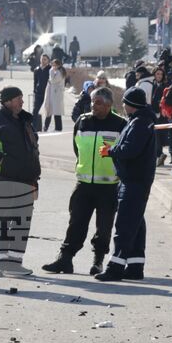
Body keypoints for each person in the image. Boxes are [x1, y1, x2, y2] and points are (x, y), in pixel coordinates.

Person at [42, 87, 128, 276]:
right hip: (83, 184)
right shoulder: (82, 121)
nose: (93, 106)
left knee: (104, 228)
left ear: (108, 105)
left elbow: (124, 154)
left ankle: (98, 261)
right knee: (76, 223)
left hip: (108, 186)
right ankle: (65, 259)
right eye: (91, 101)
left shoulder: (120, 124)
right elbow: (77, 148)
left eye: (97, 102)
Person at [0, 86, 41, 277]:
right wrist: (0, 159)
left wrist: (34, 180)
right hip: (2, 179)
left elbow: (32, 151)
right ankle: (1, 263)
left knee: (21, 222)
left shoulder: (25, 121)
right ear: (7, 101)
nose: (22, 102)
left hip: (26, 181)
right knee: (2, 222)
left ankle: (15, 263)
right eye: (18, 98)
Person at [95, 87, 158, 282]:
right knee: (136, 224)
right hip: (135, 179)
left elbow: (130, 149)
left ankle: (115, 267)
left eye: (124, 102)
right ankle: (135, 266)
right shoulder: (140, 121)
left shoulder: (140, 123)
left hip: (133, 181)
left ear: (131, 105)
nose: (122, 105)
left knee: (125, 225)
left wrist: (110, 151)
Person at [150, 67, 170, 166]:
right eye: (157, 74)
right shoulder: (151, 85)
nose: (159, 76)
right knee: (155, 135)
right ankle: (159, 155)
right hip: (152, 113)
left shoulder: (165, 86)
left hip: (161, 114)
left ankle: (159, 154)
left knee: (159, 135)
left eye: (161, 74)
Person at [42, 59, 68, 132]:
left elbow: (53, 80)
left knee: (56, 111)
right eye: (52, 65)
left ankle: (58, 127)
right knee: (52, 110)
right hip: (53, 93)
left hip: (57, 93)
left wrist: (51, 72)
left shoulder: (59, 72)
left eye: (55, 65)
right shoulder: (56, 71)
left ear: (58, 65)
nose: (53, 67)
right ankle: (50, 127)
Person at [31, 54, 50, 132]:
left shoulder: (50, 69)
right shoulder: (37, 69)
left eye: (45, 59)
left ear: (48, 60)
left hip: (47, 93)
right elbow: (35, 81)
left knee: (48, 111)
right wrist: (35, 90)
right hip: (38, 93)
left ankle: (45, 127)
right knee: (35, 111)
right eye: (42, 59)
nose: (43, 60)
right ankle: (33, 127)